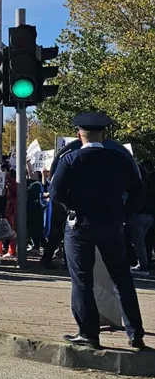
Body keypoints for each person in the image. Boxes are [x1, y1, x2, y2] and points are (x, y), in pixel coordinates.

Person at [49, 112, 146, 350]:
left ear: (78, 135)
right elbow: (138, 191)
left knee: (81, 279)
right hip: (112, 225)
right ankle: (135, 334)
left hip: (80, 225)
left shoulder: (70, 159)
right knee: (121, 278)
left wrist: (72, 206)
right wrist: (123, 214)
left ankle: (88, 333)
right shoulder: (120, 159)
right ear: (104, 134)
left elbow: (56, 193)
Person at [126, 160, 155, 273]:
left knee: (138, 242)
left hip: (138, 215)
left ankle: (143, 264)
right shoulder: (150, 183)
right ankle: (143, 262)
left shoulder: (138, 183)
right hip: (149, 216)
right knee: (143, 241)